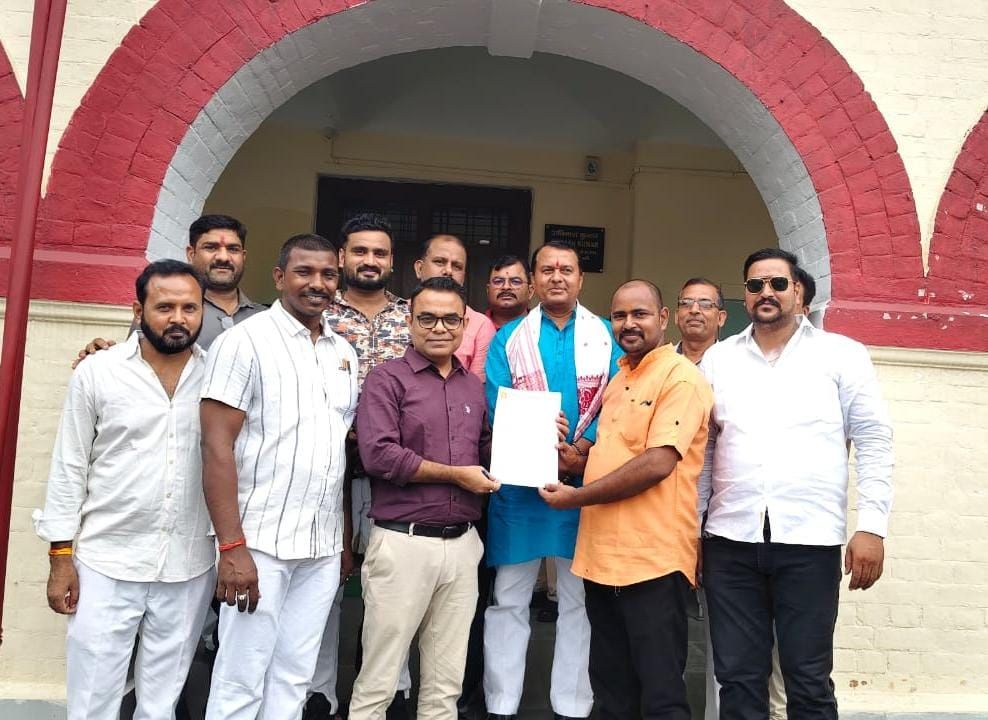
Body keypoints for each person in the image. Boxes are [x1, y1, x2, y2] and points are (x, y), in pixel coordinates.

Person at [699, 248, 894, 720]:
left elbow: (873, 439)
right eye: (755, 285)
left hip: (809, 542)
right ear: (745, 295)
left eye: (778, 283)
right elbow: (704, 450)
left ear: (799, 291)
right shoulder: (719, 359)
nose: (766, 292)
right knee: (737, 680)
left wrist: (871, 526)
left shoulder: (841, 355)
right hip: (730, 541)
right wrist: (694, 527)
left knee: (808, 680)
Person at [34, 260, 215, 720]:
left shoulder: (219, 376)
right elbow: (69, 466)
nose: (178, 318)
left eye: (190, 308)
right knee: (93, 699)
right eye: (165, 307)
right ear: (139, 311)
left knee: (161, 703)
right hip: (106, 562)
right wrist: (60, 558)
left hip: (189, 564)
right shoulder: (99, 372)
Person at [200, 234, 359, 720]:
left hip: (320, 546)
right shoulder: (243, 342)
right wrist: (231, 547)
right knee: (240, 677)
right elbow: (215, 445)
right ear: (279, 277)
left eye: (328, 274)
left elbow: (336, 452)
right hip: (258, 543)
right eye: (304, 272)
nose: (317, 284)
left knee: (295, 675)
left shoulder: (343, 352)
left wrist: (342, 539)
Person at [540, 279, 713, 720]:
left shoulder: (681, 378)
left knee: (660, 695)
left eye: (640, 314)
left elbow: (657, 463)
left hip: (652, 561)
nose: (629, 324)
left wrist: (577, 497)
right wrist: (571, 460)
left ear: (663, 318)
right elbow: (610, 456)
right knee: (612, 690)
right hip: (602, 558)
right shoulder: (618, 380)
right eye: (619, 316)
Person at [348, 276, 499, 720]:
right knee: (378, 681)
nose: (439, 328)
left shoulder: (472, 387)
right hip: (403, 544)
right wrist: (456, 476)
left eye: (450, 319)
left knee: (445, 687)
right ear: (410, 322)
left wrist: (540, 435)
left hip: (463, 545)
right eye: (428, 318)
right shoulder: (386, 380)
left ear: (464, 325)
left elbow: (487, 452)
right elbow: (379, 455)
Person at [483, 240, 622, 720]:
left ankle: (573, 705)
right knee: (509, 598)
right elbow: (497, 403)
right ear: (534, 281)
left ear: (581, 279)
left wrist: (582, 450)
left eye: (566, 269)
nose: (557, 277)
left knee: (579, 600)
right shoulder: (509, 339)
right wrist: (541, 440)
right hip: (521, 488)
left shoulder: (606, 337)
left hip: (583, 486)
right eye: (547, 270)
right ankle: (501, 704)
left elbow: (617, 402)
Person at [306, 213, 413, 720]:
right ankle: (318, 693)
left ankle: (391, 690)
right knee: (324, 580)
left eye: (380, 253)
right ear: (342, 256)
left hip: (393, 473)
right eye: (360, 251)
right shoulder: (317, 313)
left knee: (391, 585)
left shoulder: (412, 316)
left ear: (391, 261)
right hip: (325, 469)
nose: (370, 261)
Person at [72, 214, 262, 364]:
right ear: (191, 253)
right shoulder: (163, 311)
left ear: (243, 256)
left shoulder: (266, 317)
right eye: (211, 247)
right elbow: (134, 364)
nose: (223, 257)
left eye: (233, 249)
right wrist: (103, 357)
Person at [414, 234, 497, 381]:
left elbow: (475, 386)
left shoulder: (480, 325)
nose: (448, 271)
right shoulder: (396, 313)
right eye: (439, 262)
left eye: (457, 266)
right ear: (419, 268)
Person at [674, 277, 727, 364]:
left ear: (720, 318)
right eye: (686, 303)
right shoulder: (660, 361)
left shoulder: (732, 363)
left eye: (705, 304)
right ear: (676, 316)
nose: (694, 310)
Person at [485, 255, 533, 329]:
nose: (506, 287)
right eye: (498, 281)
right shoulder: (475, 327)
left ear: (530, 291)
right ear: (488, 290)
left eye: (515, 282)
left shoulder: (543, 328)